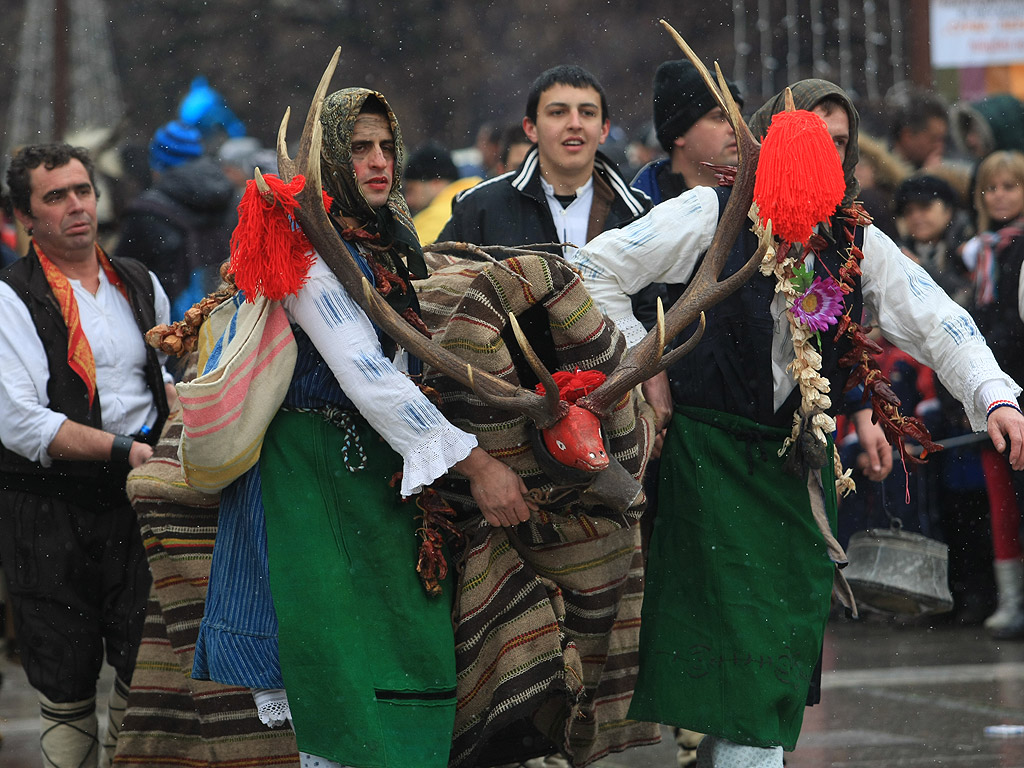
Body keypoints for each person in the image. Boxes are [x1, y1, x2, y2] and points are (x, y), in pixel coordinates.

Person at [573, 79, 1024, 767]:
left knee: (777, 657)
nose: (822, 156)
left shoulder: (853, 238)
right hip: (712, 465)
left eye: (839, 143)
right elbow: (592, 269)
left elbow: (935, 318)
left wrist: (994, 395)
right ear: (765, 141)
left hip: (798, 472)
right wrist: (648, 363)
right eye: (805, 137)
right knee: (745, 659)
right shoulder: (707, 212)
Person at [190, 87, 532, 768]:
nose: (378, 162)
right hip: (307, 479)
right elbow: (367, 374)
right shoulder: (309, 248)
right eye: (358, 148)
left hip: (371, 472)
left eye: (385, 147)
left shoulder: (388, 241)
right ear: (328, 161)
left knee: (402, 659)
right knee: (338, 690)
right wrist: (479, 466)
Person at [0, 143, 175, 767]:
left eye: (83, 190)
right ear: (25, 217)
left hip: (136, 502)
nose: (76, 205)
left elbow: (160, 381)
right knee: (65, 680)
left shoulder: (139, 281)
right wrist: (124, 450)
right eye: (55, 196)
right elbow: (21, 422)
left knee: (144, 664)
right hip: (50, 508)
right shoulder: (10, 299)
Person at [438, 64, 650, 261]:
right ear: (531, 128)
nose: (575, 124)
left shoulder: (640, 214)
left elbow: (656, 298)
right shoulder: (479, 208)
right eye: (558, 112)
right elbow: (438, 290)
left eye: (587, 113)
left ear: (603, 129)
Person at [959, 150, 1024, 638]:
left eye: (1011, 185)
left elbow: (1006, 326)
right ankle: (1011, 598)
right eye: (991, 188)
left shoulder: (1014, 250)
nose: (1000, 195)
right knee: (1001, 502)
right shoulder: (978, 252)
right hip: (990, 392)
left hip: (1015, 386)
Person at [114, 119, 234, 323]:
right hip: (228, 318)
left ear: (158, 165)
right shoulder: (229, 195)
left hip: (175, 333)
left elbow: (117, 277)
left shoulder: (146, 211)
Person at [631, 59, 744, 203]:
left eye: (738, 117)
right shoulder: (636, 213)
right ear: (679, 133)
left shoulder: (765, 204)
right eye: (719, 117)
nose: (736, 128)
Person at [403, 141, 481, 244]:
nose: (408, 200)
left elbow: (409, 258)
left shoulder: (431, 221)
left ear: (436, 183)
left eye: (411, 190)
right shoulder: (484, 198)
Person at [886, 85, 950, 170]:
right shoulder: (874, 176)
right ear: (907, 136)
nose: (940, 148)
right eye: (933, 140)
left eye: (942, 140)